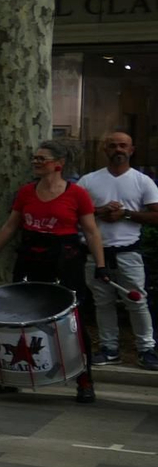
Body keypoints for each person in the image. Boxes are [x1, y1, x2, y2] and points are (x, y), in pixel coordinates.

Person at [0, 139, 108, 403]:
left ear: (58, 165)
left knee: (72, 322)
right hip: (29, 258)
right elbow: (11, 226)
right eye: (34, 158)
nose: (36, 162)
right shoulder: (26, 192)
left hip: (64, 261)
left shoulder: (77, 194)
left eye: (42, 159)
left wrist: (102, 266)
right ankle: (11, 378)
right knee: (16, 320)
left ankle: (84, 381)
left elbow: (92, 232)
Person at [76, 130, 158, 369]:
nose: (118, 150)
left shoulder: (142, 181)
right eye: (113, 146)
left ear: (131, 150)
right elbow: (73, 213)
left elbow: (156, 214)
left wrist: (126, 213)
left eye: (123, 146)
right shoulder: (88, 181)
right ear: (105, 149)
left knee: (137, 301)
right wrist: (100, 211)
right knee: (103, 303)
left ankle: (147, 348)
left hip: (128, 252)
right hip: (95, 253)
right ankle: (109, 348)